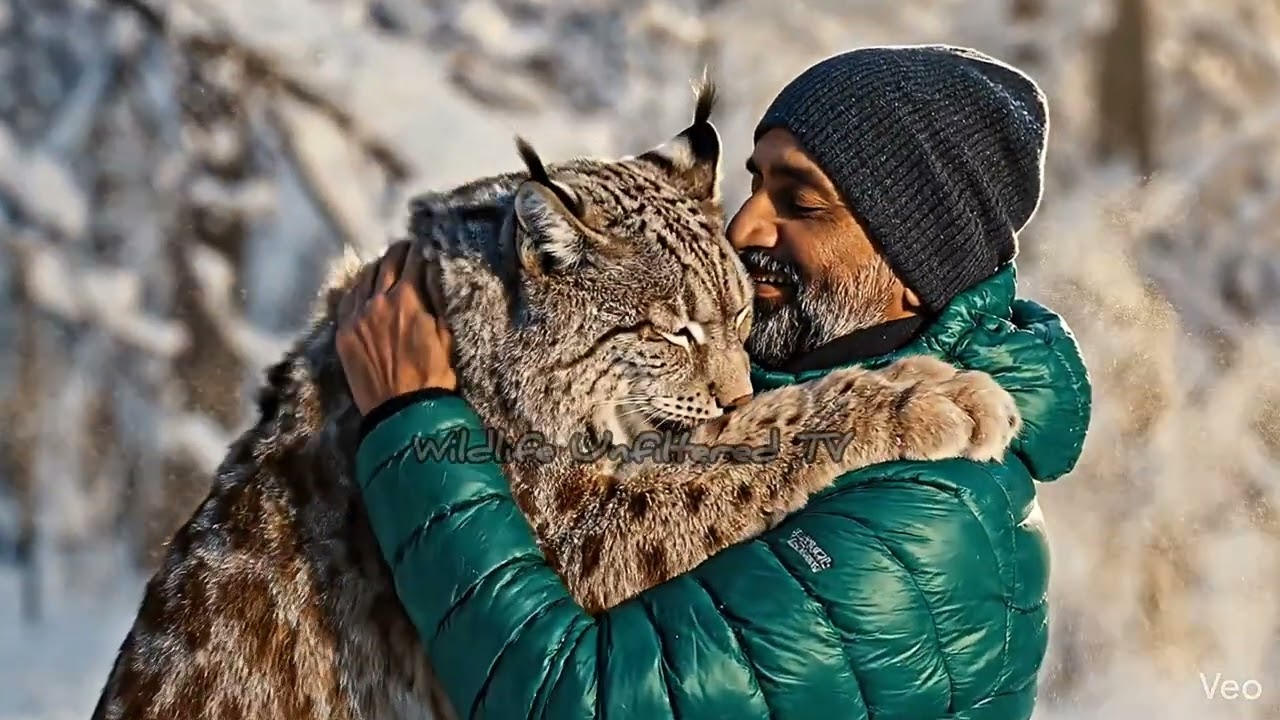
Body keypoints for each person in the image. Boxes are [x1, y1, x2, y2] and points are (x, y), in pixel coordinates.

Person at [337, 45, 1092, 719]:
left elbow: (575, 699)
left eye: (799, 204)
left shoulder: (929, 526)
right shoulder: (770, 374)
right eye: (753, 185)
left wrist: (413, 422)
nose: (741, 229)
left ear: (914, 266)